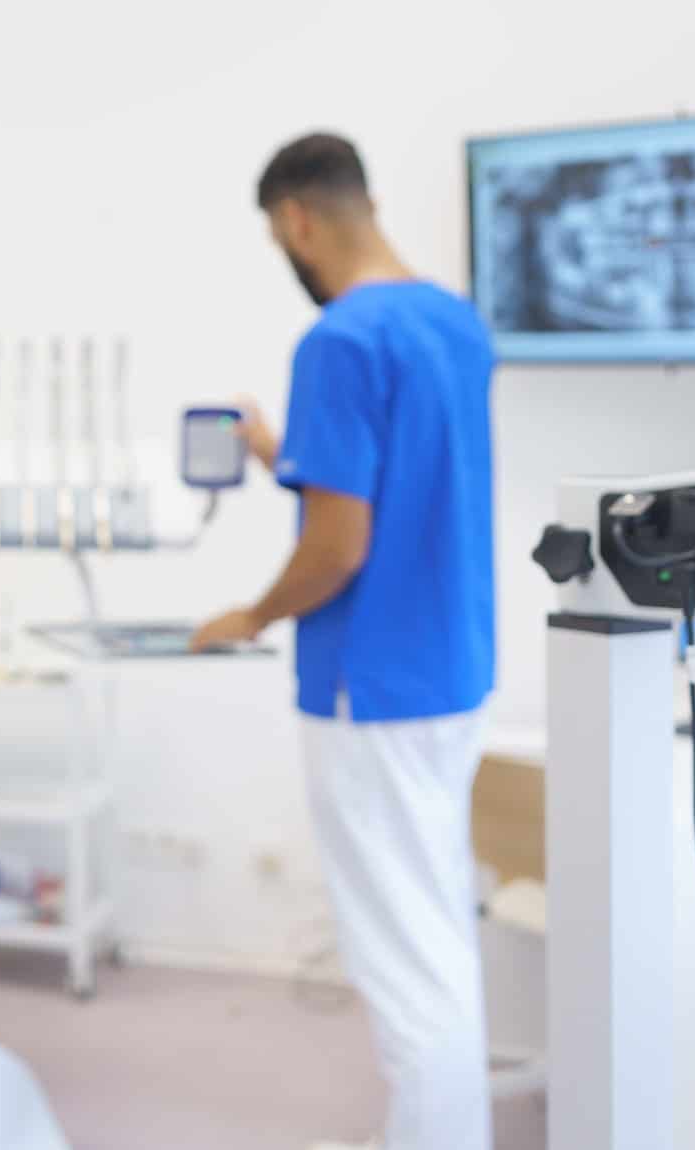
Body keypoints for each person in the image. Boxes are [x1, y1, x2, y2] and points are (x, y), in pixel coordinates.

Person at [190, 133, 496, 1150]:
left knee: (405, 965)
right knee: (437, 927)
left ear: (293, 221)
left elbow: (338, 542)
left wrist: (250, 614)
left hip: (370, 684)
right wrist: (284, 452)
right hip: (448, 670)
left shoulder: (337, 340)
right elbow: (400, 480)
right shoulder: (452, 323)